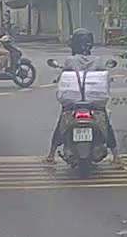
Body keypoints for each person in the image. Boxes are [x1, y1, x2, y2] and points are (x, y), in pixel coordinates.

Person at [43, 28, 121, 166]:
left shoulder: (70, 60)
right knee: (106, 124)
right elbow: (105, 76)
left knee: (61, 123)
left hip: (73, 102)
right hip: (94, 102)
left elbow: (63, 75)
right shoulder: (97, 60)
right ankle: (116, 156)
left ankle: (51, 155)